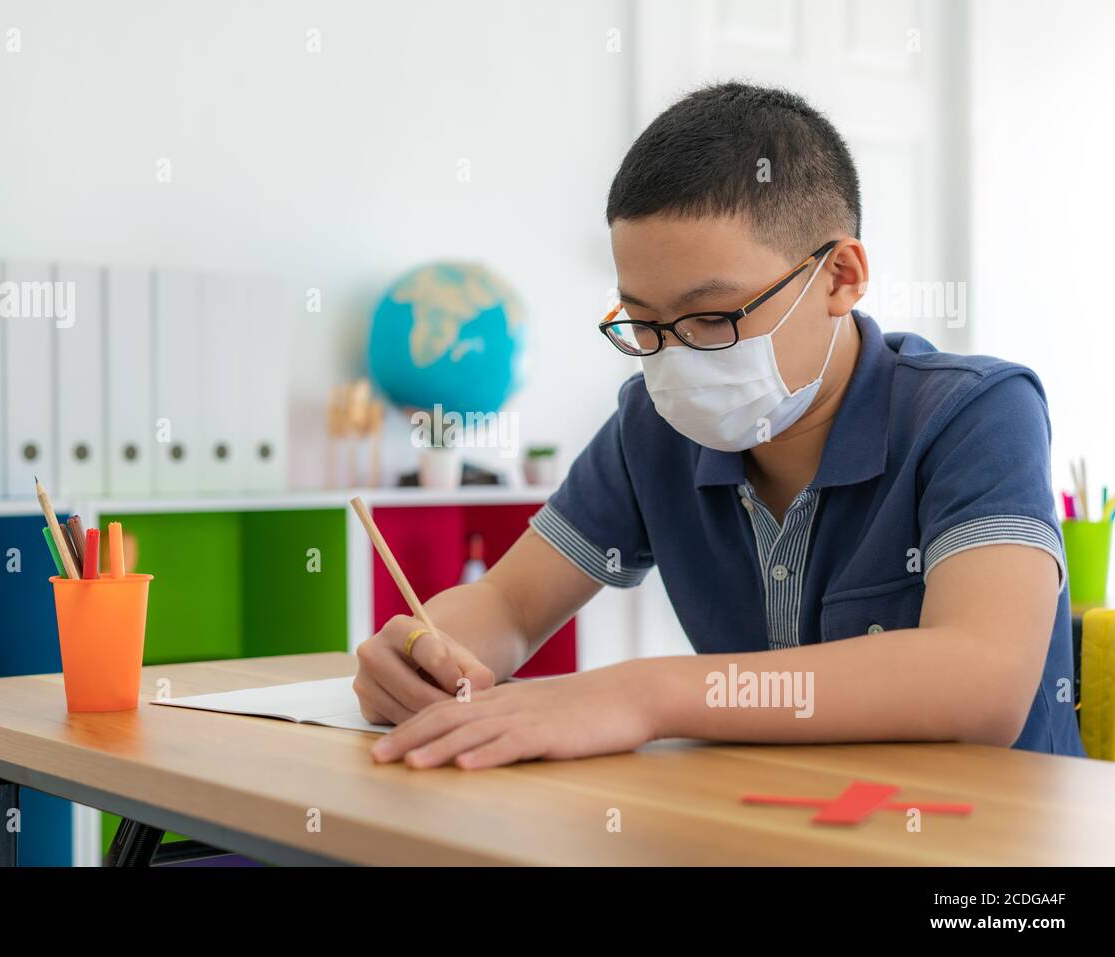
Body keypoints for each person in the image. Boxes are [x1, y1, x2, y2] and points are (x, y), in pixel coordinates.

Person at [359, 81, 1084, 769]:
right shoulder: (653, 429)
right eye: (644, 323)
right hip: (772, 825)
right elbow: (509, 604)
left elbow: (982, 680)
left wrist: (649, 693)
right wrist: (427, 650)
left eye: (713, 316)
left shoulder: (975, 411)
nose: (672, 358)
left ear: (840, 277)